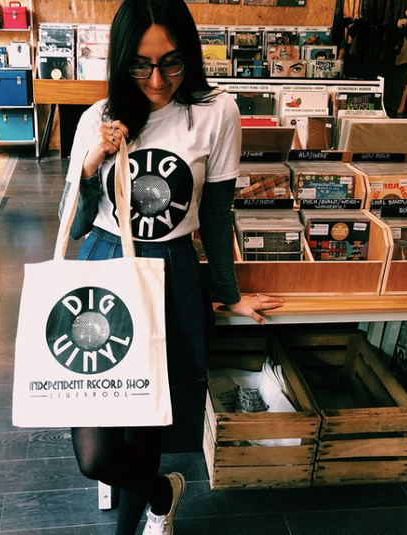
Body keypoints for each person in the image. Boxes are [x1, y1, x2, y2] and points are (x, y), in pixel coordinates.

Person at [59, 1, 283, 533]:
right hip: (104, 268)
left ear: (191, 54)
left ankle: (146, 517)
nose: (157, 80)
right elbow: (76, 225)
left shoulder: (216, 112)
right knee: (94, 453)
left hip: (172, 273)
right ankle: (164, 491)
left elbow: (216, 215)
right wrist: (91, 162)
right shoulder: (97, 118)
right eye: (141, 65)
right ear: (122, 60)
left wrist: (229, 294)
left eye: (171, 62)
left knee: (145, 423)